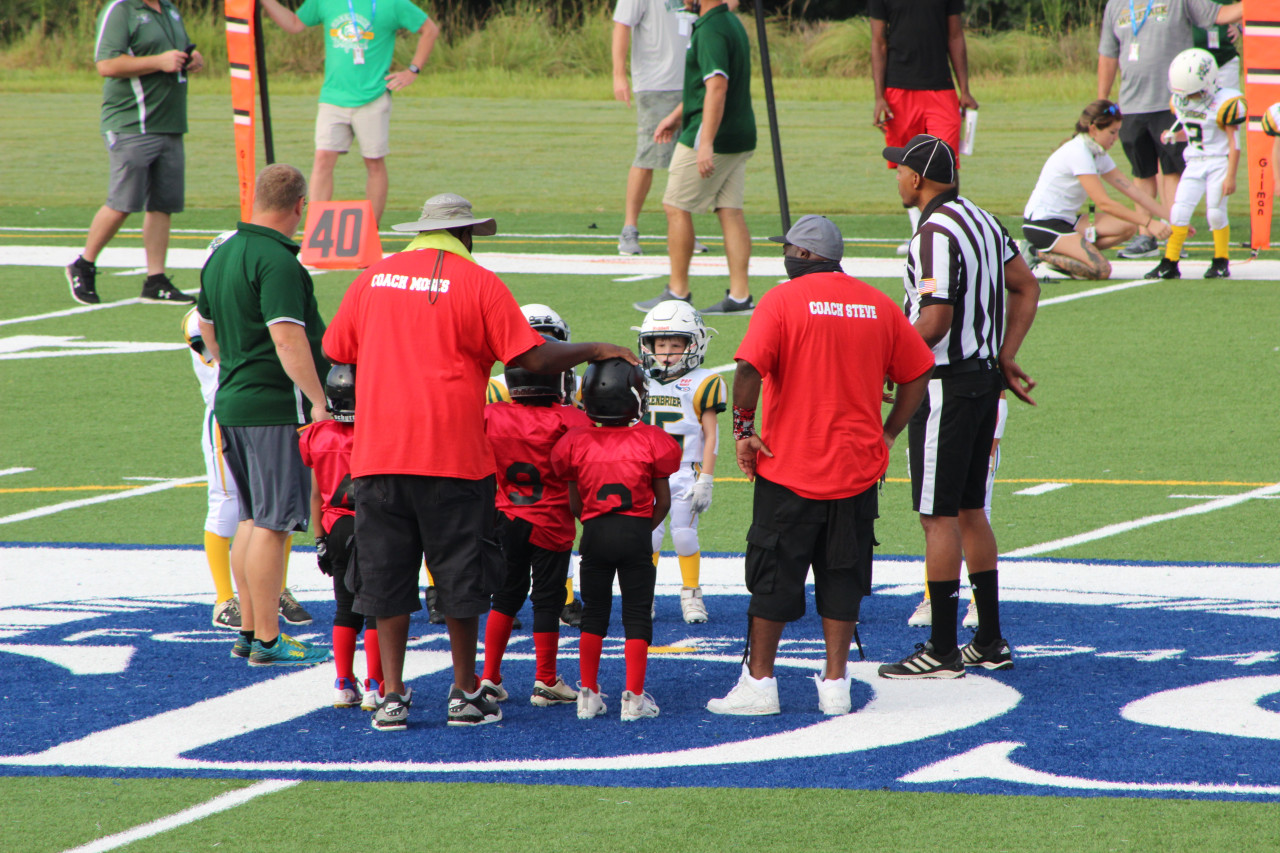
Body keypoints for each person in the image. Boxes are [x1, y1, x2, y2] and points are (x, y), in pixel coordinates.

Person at [322, 192, 636, 731]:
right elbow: (531, 357)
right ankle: (465, 692)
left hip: (377, 458)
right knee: (460, 580)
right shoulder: (479, 283)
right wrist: (595, 348)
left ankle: (392, 694)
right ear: (466, 235)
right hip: (452, 458)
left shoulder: (372, 278)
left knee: (387, 580)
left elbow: (336, 348)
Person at [706, 215, 935, 716]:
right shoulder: (876, 304)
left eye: (788, 249)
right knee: (843, 578)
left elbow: (747, 368)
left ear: (806, 256)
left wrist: (744, 432)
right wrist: (890, 430)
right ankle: (836, 684)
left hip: (789, 467)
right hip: (856, 471)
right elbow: (918, 371)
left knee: (771, 579)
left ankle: (761, 684)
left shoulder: (781, 301)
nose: (784, 256)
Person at [876, 135, 1039, 680]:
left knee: (938, 515)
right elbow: (1027, 286)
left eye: (899, 170)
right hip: (983, 382)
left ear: (917, 178)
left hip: (944, 387)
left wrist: (887, 361)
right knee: (971, 510)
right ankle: (989, 639)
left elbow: (936, 319)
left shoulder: (933, 231)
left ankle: (942, 648)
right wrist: (1005, 353)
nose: (895, 178)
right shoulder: (983, 219)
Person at [195, 163, 331, 668]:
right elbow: (287, 335)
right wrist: (317, 398)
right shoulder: (278, 261)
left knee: (251, 520)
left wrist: (235, 365)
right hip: (273, 407)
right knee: (273, 524)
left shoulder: (224, 253)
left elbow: (205, 328)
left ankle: (251, 630)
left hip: (232, 402)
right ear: (300, 207)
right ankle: (270, 639)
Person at [551, 358, 682, 722]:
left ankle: (588, 695)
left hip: (595, 533)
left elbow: (574, 502)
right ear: (635, 397)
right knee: (637, 615)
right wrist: (641, 526)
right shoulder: (653, 439)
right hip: (636, 531)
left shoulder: (574, 441)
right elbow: (664, 501)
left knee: (594, 614)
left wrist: (595, 523)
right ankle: (634, 699)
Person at [65, 0, 203, 306]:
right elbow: (107, 64)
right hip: (132, 122)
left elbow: (172, 50)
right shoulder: (122, 9)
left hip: (169, 122)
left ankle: (156, 279)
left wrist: (190, 57)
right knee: (124, 201)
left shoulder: (167, 9)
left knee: (163, 203)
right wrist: (160, 61)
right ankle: (84, 263)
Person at [478, 345, 593, 709]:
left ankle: (490, 677)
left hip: (506, 517)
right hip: (551, 521)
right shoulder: (571, 419)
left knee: (505, 598)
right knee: (547, 600)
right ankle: (545, 680)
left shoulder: (491, 415)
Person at [259, 0, 439, 226]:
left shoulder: (392, 4)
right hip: (333, 97)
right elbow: (295, 23)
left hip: (373, 95)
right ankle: (317, 228)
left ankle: (369, 231)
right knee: (323, 159)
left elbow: (430, 29)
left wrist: (413, 70)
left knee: (373, 161)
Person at [636, 0, 755, 317]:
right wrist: (678, 115)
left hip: (713, 135)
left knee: (675, 206)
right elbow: (704, 89)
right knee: (730, 210)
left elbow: (717, 87)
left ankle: (678, 291)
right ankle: (740, 296)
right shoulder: (730, 23)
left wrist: (705, 143)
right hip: (739, 134)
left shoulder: (711, 29)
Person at [1097, 0, 1242, 260]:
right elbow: (1108, 55)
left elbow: (1221, 14)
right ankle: (1146, 234)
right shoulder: (1115, 5)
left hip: (1173, 102)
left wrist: (1262, 4)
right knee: (1141, 172)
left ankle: (1176, 235)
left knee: (1172, 169)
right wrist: (1102, 100)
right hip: (1132, 103)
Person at [298, 363, 385, 711]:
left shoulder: (316, 434)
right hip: (375, 526)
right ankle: (377, 683)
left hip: (335, 528)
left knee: (345, 608)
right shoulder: (379, 431)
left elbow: (316, 494)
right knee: (380, 609)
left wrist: (319, 538)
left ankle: (344, 682)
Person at [633, 300, 726, 623]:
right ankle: (645, 597)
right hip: (646, 472)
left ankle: (691, 593)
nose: (668, 352)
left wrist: (707, 478)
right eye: (661, 344)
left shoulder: (705, 380)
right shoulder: (638, 378)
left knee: (685, 535)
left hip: (686, 470)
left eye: (676, 344)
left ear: (694, 343)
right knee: (650, 536)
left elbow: (711, 435)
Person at [869, 0, 977, 255]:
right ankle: (920, 234)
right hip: (898, 89)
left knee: (946, 163)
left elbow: (955, 35)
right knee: (908, 163)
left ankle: (950, 231)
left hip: (941, 88)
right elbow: (878, 42)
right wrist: (878, 97)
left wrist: (965, 90)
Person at [1022, 100, 1173, 280]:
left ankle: (1068, 254)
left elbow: (1135, 192)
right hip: (1043, 224)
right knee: (1101, 270)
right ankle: (1035, 252)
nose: (1116, 138)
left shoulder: (1097, 152)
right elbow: (1104, 203)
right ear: (1093, 130)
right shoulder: (1078, 152)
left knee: (1128, 227)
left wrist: (1175, 221)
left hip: (1068, 220)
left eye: (1117, 131)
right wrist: (1149, 223)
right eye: (1112, 132)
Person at [611, 0, 712, 257]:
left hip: (690, 81)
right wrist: (619, 74)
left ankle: (683, 231)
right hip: (656, 84)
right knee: (647, 155)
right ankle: (629, 228)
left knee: (686, 157)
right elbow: (622, 25)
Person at [1144, 48, 1245, 280]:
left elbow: (1234, 144)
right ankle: (1170, 262)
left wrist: (1231, 175)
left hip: (1218, 162)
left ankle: (1221, 261)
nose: (1189, 99)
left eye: (1194, 93)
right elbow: (1192, 133)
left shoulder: (1226, 102)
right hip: (1195, 162)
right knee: (1178, 211)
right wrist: (1173, 136)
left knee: (1215, 213)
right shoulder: (1181, 99)